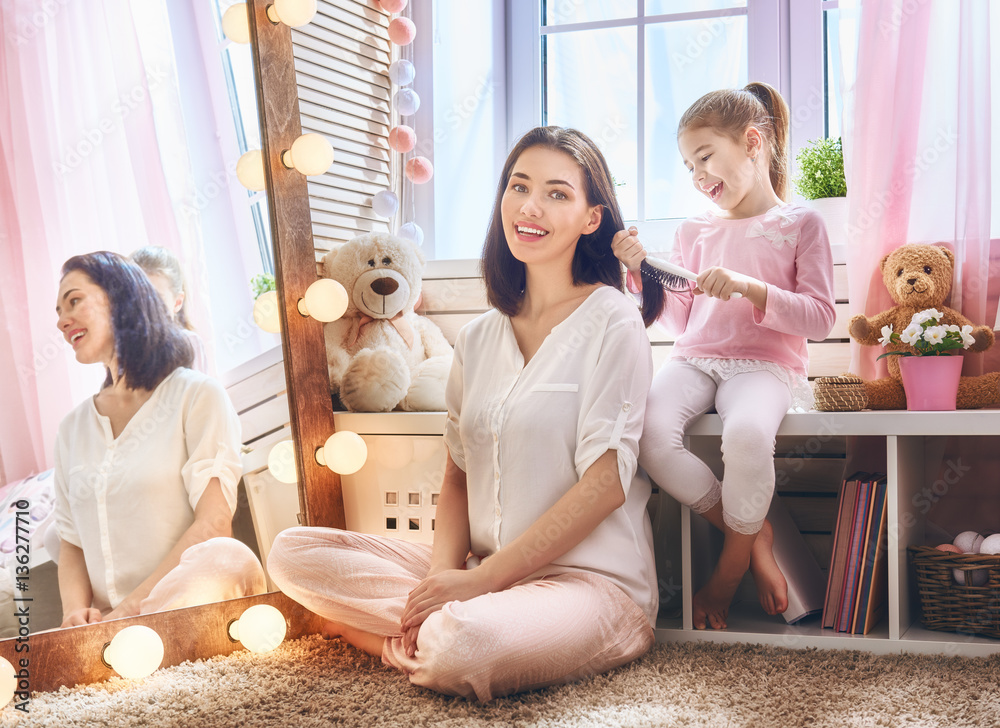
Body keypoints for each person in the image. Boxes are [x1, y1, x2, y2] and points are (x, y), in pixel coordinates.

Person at [267, 126, 658, 701]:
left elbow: (604, 485)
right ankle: (429, 628)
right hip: (481, 575)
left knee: (462, 646)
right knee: (290, 553)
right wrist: (439, 586)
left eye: (557, 193)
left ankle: (385, 639)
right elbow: (458, 474)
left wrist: (479, 584)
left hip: (589, 585)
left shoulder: (614, 321)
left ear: (592, 218)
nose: (530, 206)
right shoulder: (477, 338)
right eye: (519, 186)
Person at [612, 82, 836, 630]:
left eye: (705, 156)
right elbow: (679, 322)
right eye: (689, 165)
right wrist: (642, 275)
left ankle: (731, 567)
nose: (698, 175)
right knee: (645, 435)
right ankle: (753, 534)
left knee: (747, 438)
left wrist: (750, 288)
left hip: (766, 366)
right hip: (694, 359)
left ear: (753, 142)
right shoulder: (693, 232)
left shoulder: (801, 225)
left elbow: (822, 319)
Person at [53, 251, 265, 627]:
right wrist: (75, 613)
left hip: (176, 606)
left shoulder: (197, 396)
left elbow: (214, 524)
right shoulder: (72, 429)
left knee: (229, 559)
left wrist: (129, 612)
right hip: (107, 626)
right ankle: (109, 643)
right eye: (58, 310)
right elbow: (71, 541)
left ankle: (124, 636)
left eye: (74, 301)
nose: (62, 321)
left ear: (122, 298)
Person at [130, 245, 209, 374]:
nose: (146, 309)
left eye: (157, 299)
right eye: (137, 298)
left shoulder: (189, 344)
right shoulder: (125, 354)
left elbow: (203, 392)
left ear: (177, 302)